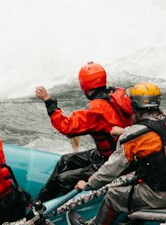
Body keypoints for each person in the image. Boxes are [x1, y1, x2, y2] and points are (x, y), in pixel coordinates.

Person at [80, 81, 166, 225]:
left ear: (133, 106)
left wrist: (89, 184)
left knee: (114, 194)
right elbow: (153, 132)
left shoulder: (134, 136)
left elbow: (110, 170)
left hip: (163, 195)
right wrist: (125, 131)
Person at [34, 63, 133, 202]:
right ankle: (39, 203)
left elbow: (67, 127)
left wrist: (48, 101)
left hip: (113, 161)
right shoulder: (118, 94)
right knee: (65, 161)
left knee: (63, 179)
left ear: (84, 86)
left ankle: (50, 211)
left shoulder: (96, 109)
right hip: (117, 153)